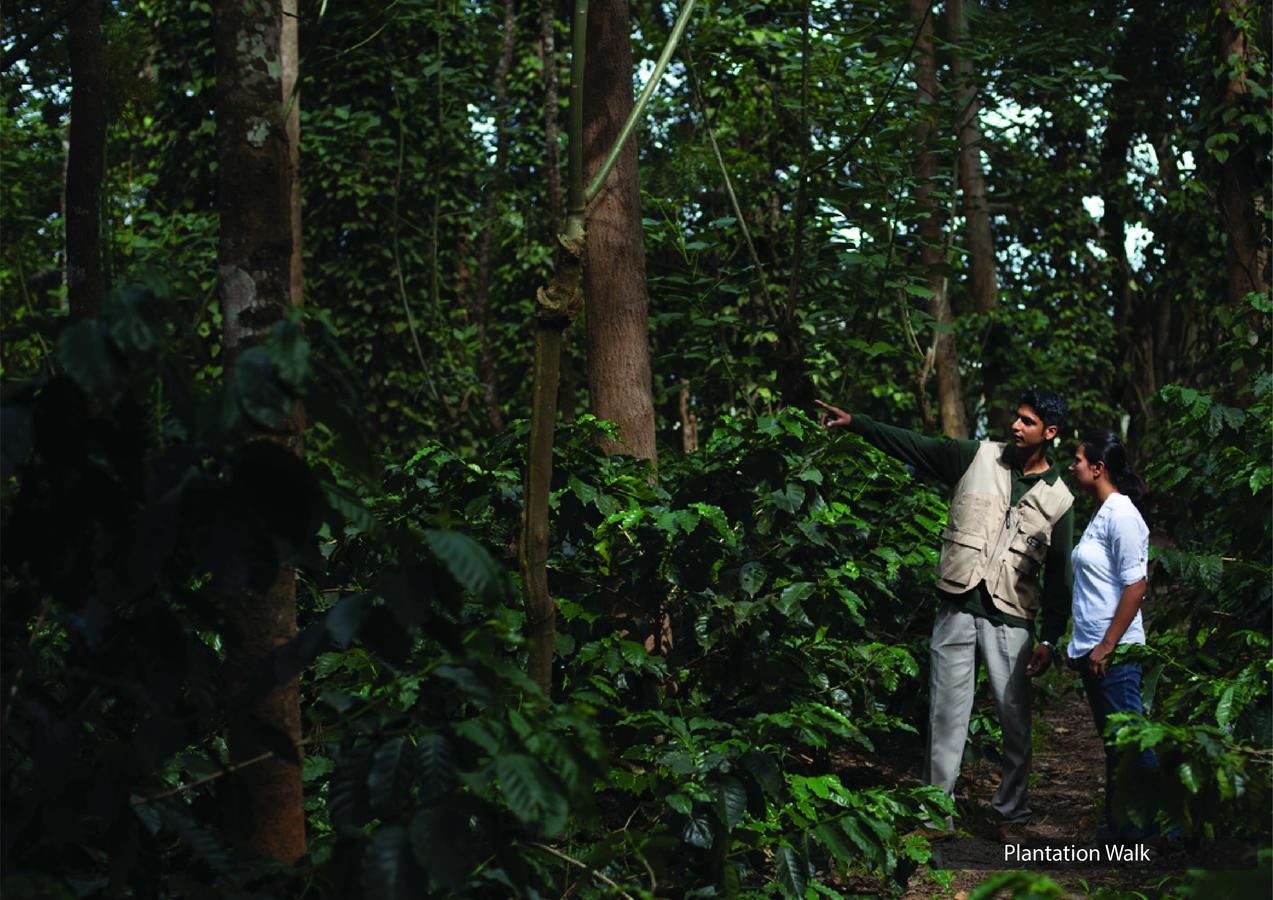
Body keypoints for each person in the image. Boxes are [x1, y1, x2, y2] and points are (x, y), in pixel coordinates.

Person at [815, 390, 1074, 840]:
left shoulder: (1061, 500)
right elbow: (914, 444)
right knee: (946, 717)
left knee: (1014, 721)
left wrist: (1051, 638)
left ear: (1049, 433)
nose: (1015, 426)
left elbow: (1060, 578)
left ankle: (1010, 812)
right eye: (1015, 417)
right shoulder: (976, 457)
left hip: (1011, 619)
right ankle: (936, 815)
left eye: (1027, 422)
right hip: (957, 605)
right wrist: (857, 422)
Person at [1065, 429, 1157, 840]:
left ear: (1098, 468)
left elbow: (1135, 586)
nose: (1072, 466)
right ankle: (1121, 830)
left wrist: (1106, 645)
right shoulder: (1102, 513)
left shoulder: (1121, 514)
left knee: (1133, 742)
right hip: (1096, 650)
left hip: (1115, 652)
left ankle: (1167, 829)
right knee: (1117, 744)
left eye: (1078, 460)